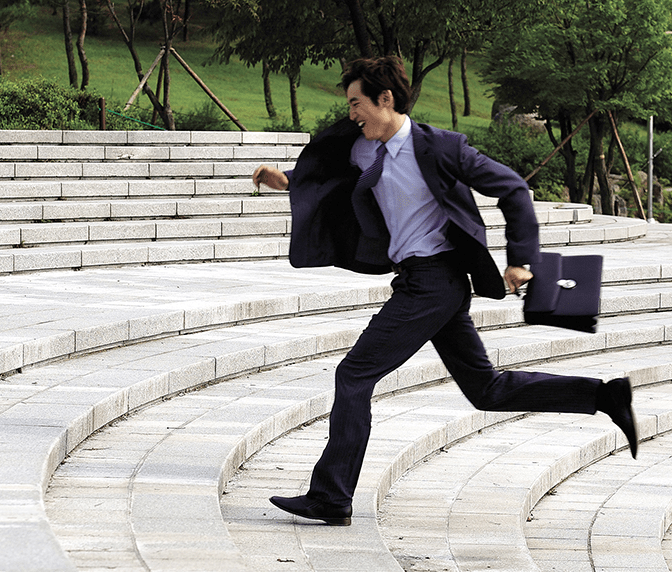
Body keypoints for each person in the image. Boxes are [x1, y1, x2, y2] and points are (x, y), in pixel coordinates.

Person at [252, 57, 637, 527]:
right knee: (485, 389)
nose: (351, 114)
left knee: (353, 375)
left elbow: (513, 189)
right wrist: (288, 182)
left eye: (356, 103)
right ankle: (605, 396)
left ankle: (331, 496)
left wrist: (521, 260)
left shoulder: (439, 147)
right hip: (424, 281)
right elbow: (332, 178)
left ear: (385, 99)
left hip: (434, 281)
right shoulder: (362, 149)